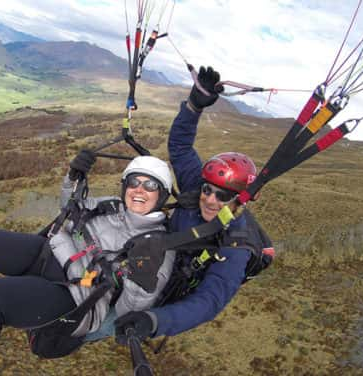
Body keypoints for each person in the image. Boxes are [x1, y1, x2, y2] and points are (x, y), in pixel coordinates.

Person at [0, 152, 176, 376]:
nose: (139, 190)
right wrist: (72, 179)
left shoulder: (157, 246)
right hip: (51, 253)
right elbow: (70, 208)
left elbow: (129, 309)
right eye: (134, 182)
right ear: (124, 186)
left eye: (150, 186)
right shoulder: (112, 206)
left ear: (162, 195)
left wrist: (141, 281)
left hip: (75, 292)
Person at [114, 67, 274, 343]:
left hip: (164, 288)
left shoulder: (237, 244)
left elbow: (210, 300)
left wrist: (155, 321)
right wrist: (193, 107)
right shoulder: (195, 186)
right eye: (207, 189)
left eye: (223, 196)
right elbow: (180, 146)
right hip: (146, 254)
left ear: (240, 199)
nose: (210, 199)